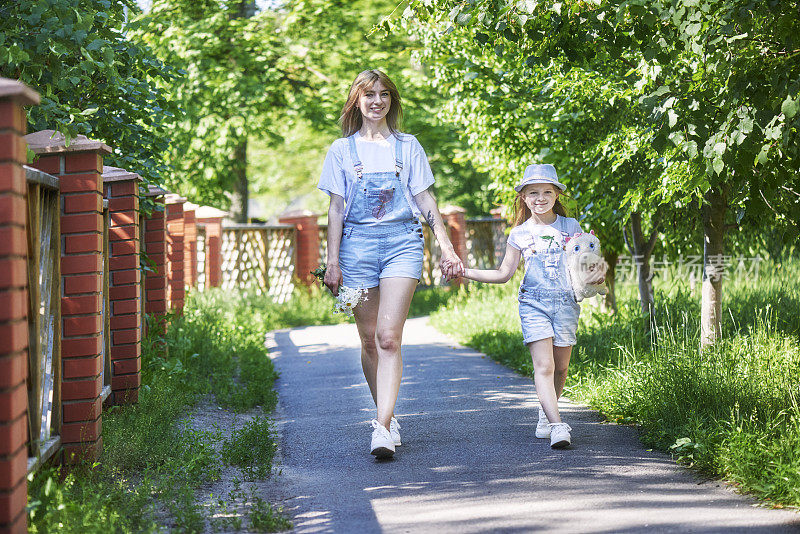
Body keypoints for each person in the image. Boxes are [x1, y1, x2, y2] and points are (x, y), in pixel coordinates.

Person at [318, 69, 464, 459]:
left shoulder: (408, 146)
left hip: (403, 243)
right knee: (368, 340)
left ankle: (381, 427)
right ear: (357, 101)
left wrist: (446, 248)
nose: (377, 101)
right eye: (369, 95)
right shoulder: (340, 150)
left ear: (391, 101)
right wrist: (332, 262)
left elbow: (426, 200)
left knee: (388, 337)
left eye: (384, 94)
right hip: (355, 249)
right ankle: (386, 412)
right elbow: (335, 209)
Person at [459, 164, 605, 448]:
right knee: (545, 365)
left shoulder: (571, 227)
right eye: (533, 193)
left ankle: (544, 413)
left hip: (565, 304)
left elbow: (587, 268)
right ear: (524, 197)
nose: (540, 198)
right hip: (533, 304)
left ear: (556, 195)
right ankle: (557, 424)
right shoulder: (519, 234)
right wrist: (465, 271)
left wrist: (596, 275)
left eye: (547, 192)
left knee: (561, 369)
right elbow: (503, 274)